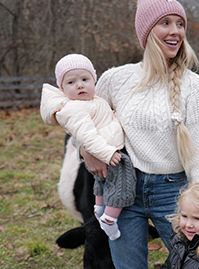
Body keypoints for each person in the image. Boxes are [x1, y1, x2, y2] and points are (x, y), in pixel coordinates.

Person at [78, 0, 199, 267]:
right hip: (122, 191)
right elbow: (81, 118)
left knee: (195, 263)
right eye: (165, 23)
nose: (175, 31)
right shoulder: (115, 79)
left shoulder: (194, 86)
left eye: (180, 24)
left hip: (174, 193)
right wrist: (85, 151)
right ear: (145, 32)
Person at [40, 54, 136, 241]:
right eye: (71, 82)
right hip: (107, 153)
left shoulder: (94, 100)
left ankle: (99, 209)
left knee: (100, 183)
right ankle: (109, 217)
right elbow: (87, 137)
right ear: (62, 88)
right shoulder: (74, 108)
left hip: (107, 150)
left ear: (94, 79)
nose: (80, 85)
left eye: (85, 79)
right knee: (122, 183)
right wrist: (106, 153)